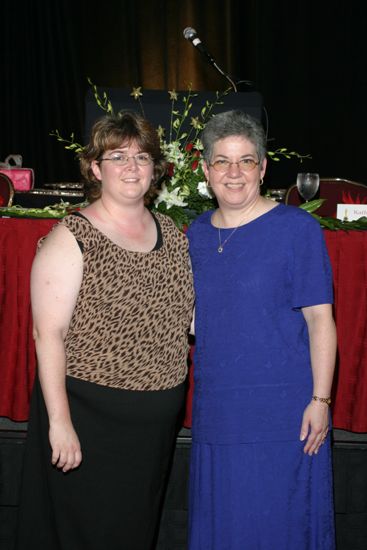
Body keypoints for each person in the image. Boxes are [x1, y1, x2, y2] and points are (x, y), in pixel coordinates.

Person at [15, 111, 194, 550]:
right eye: (117, 157)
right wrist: (60, 423)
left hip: (152, 429)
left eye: (141, 157)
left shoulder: (172, 233)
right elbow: (47, 335)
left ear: (155, 168)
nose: (131, 167)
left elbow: (186, 318)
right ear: (96, 168)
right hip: (89, 418)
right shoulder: (72, 236)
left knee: (133, 533)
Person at [187, 110, 336, 549]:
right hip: (218, 411)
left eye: (246, 161)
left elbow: (320, 321)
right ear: (206, 169)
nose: (234, 173)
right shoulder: (194, 233)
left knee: (281, 526)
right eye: (222, 161)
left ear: (263, 167)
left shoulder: (297, 229)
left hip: (284, 413)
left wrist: (321, 399)